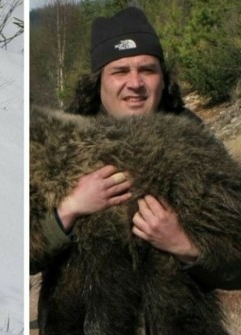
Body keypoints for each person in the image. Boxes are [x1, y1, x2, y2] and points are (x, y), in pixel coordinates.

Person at [30, 6, 241, 292]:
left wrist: (182, 245)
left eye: (147, 70)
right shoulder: (59, 141)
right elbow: (21, 256)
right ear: (98, 81)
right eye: (120, 71)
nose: (135, 84)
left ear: (163, 78)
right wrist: (69, 210)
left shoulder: (194, 141)